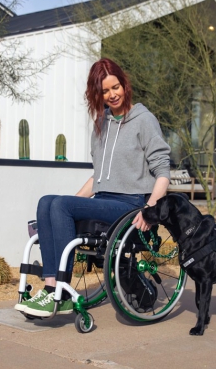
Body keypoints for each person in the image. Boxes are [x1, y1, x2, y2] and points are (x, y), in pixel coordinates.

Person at [16, 58, 171, 318]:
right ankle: (52, 285)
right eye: (105, 91)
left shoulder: (144, 120)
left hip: (130, 204)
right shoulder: (101, 124)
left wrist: (150, 208)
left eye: (116, 87)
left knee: (60, 204)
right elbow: (98, 177)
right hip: (103, 199)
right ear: (96, 94)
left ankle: (61, 292)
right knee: (47, 201)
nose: (112, 95)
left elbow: (162, 170)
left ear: (125, 85)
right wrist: (64, 206)